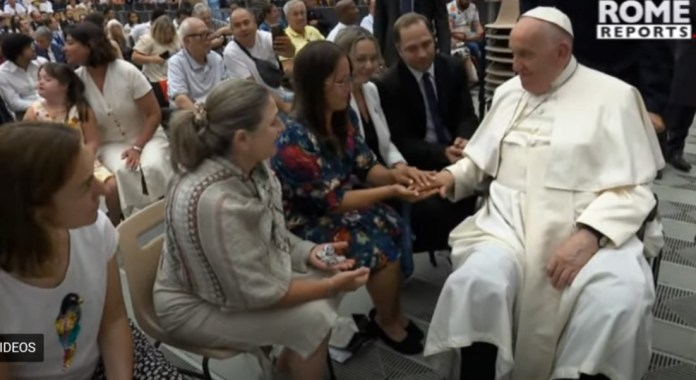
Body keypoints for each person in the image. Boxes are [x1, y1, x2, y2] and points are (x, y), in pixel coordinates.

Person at [424, 7, 663, 380]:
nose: (515, 66)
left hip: (589, 225)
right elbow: (481, 158)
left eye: (526, 55)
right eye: (513, 53)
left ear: (562, 52)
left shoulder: (616, 97)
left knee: (619, 300)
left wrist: (591, 234)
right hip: (509, 225)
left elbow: (635, 188)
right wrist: (452, 177)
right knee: (477, 282)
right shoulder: (508, 93)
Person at [153, 79, 370, 380]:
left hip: (233, 283)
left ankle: (286, 365)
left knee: (327, 276)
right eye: (273, 123)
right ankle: (288, 367)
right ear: (242, 138)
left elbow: (269, 230)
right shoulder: (216, 203)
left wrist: (309, 252)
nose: (282, 127)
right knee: (317, 313)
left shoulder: (251, 163)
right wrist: (332, 286)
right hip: (191, 307)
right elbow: (254, 292)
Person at [271, 41, 433, 355]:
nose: (350, 87)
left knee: (392, 222)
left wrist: (399, 174)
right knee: (380, 245)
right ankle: (388, 320)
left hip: (336, 205)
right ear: (318, 86)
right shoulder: (295, 139)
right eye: (343, 80)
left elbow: (366, 164)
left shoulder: (343, 118)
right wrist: (391, 190)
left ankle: (388, 313)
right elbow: (333, 201)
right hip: (304, 223)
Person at [0, 122, 182, 379]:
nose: (103, 190)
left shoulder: (95, 230)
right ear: (37, 209)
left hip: (101, 355)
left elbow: (113, 321)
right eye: (86, 184)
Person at [375, 13, 478, 252]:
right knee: (436, 207)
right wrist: (443, 153)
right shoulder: (389, 85)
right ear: (399, 50)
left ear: (434, 38)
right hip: (421, 162)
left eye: (426, 44)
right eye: (412, 49)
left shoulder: (452, 67)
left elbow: (467, 115)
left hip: (460, 154)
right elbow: (401, 140)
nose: (422, 53)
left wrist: (464, 138)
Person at [65, 22, 173, 217]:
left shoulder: (127, 71)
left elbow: (154, 114)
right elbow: (87, 131)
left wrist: (138, 147)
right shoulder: (76, 81)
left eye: (71, 43)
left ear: (89, 45)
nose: (65, 48)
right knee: (125, 171)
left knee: (153, 165)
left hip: (147, 136)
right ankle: (135, 223)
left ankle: (170, 210)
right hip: (111, 144)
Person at [23, 62, 121, 226]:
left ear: (64, 85)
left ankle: (115, 222)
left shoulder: (81, 109)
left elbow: (93, 141)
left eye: (47, 79)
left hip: (83, 159)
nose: (40, 82)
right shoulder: (34, 111)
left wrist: (83, 161)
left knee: (111, 186)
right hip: (49, 166)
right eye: (39, 78)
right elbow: (28, 145)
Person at [224, 7, 294, 113]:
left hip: (280, 94)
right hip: (257, 106)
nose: (243, 28)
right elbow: (254, 89)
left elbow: (289, 54)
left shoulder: (266, 38)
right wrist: (284, 107)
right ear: (232, 30)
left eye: (246, 22)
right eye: (237, 25)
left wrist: (289, 48)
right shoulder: (231, 52)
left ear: (255, 23)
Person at [664, 0, 696, 172]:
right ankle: (658, 152)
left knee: (688, 103)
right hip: (681, 44)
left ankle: (675, 149)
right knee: (671, 101)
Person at [374, 0, 450, 66]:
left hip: (423, 46)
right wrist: (377, 55)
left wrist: (445, 55)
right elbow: (380, 22)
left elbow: (442, 23)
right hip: (393, 50)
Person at [131, 15, 180, 108]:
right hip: (156, 79)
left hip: (173, 76)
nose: (168, 36)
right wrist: (153, 59)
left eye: (170, 33)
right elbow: (134, 57)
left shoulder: (175, 37)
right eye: (166, 34)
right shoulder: (148, 39)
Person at [0, 33, 46, 115]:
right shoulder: (3, 73)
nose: (33, 49)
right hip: (26, 112)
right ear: (17, 53)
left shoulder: (41, 62)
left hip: (52, 103)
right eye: (28, 47)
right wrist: (41, 106)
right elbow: (14, 103)